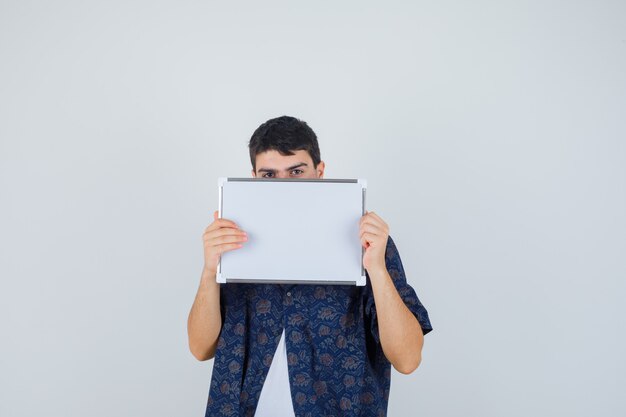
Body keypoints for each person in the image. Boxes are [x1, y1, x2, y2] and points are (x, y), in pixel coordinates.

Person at [187, 116, 433, 417]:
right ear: (253, 177)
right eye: (269, 175)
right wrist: (209, 271)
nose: (283, 186)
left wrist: (377, 270)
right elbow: (201, 348)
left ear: (319, 171)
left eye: (296, 172)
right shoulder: (231, 239)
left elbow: (408, 359)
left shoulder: (366, 239)